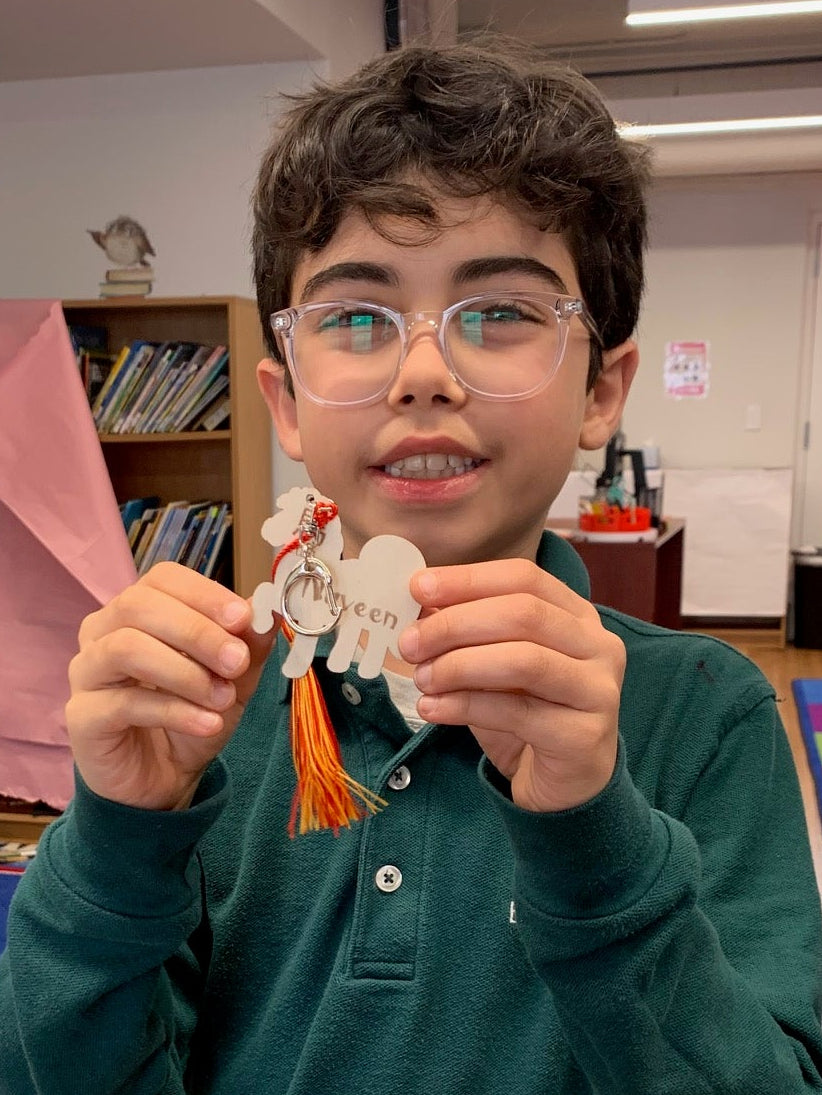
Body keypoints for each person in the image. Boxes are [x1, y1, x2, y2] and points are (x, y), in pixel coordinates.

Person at [2, 37, 821, 1095]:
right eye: (355, 317)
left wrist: (593, 833)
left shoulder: (703, 713)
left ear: (602, 394)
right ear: (287, 402)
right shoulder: (205, 720)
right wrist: (117, 839)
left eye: (502, 313)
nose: (424, 371)